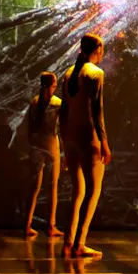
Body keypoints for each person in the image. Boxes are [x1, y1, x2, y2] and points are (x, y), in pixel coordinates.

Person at [59, 33, 112, 259]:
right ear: (97, 49)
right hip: (88, 138)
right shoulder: (95, 73)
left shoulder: (68, 73)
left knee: (77, 193)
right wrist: (104, 142)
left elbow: (63, 112)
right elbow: (97, 111)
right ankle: (80, 243)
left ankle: (68, 242)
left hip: (70, 138)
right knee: (93, 191)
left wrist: (63, 144)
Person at [24, 72, 64, 238]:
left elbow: (29, 127)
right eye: (55, 83)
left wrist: (31, 144)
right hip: (51, 146)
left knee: (34, 188)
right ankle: (51, 225)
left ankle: (27, 225)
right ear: (52, 85)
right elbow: (63, 127)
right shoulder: (58, 103)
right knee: (52, 187)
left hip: (36, 147)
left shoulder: (34, 102)